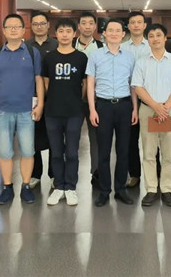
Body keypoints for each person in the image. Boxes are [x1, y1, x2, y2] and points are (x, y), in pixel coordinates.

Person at [0, 14, 44, 205]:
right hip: (2, 111)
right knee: (5, 152)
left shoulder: (32, 52)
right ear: (3, 30)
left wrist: (40, 104)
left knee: (27, 151)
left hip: (27, 111)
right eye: (9, 27)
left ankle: (26, 186)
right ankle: (7, 187)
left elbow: (39, 80)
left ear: (23, 30)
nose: (13, 30)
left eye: (17, 26)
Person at [132, 24, 171, 207]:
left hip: (170, 110)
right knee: (148, 152)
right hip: (148, 109)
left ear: (165, 38)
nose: (155, 39)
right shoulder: (141, 62)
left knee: (169, 152)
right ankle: (151, 189)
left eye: (158, 35)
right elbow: (138, 87)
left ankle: (167, 188)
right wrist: (156, 105)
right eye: (151, 36)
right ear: (148, 40)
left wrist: (166, 106)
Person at [87, 19, 137, 207]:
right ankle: (104, 191)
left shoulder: (130, 57)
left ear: (123, 34)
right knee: (104, 151)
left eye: (118, 30)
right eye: (111, 30)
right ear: (104, 34)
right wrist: (92, 109)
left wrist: (134, 108)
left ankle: (121, 189)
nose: (114, 33)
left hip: (124, 106)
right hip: (103, 106)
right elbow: (90, 84)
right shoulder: (95, 56)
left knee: (123, 150)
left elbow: (133, 85)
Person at [43, 18, 88, 206]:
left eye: (68, 31)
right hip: (52, 111)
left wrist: (75, 99)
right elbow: (45, 83)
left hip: (74, 112)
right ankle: (58, 186)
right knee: (55, 152)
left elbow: (85, 84)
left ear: (74, 34)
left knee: (71, 152)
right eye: (61, 31)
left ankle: (70, 187)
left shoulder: (81, 58)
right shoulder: (49, 57)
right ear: (56, 34)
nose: (64, 35)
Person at [25, 11, 58, 189]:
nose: (39, 27)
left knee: (54, 136)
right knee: (32, 137)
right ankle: (35, 174)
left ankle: (54, 174)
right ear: (31, 26)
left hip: (53, 98)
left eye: (42, 23)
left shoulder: (56, 44)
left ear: (48, 25)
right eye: (35, 24)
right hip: (30, 98)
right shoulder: (25, 46)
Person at [120, 11, 150, 188]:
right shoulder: (122, 47)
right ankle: (134, 174)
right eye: (133, 22)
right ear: (128, 26)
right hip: (127, 99)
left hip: (150, 100)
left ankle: (155, 175)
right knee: (130, 140)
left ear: (144, 25)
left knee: (152, 140)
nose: (136, 25)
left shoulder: (152, 45)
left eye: (140, 22)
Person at [74, 11, 104, 187]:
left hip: (96, 100)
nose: (87, 26)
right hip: (73, 99)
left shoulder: (101, 47)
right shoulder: (69, 44)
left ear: (95, 26)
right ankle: (70, 175)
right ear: (78, 26)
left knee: (96, 138)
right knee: (71, 137)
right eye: (83, 23)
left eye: (90, 23)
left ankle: (97, 173)